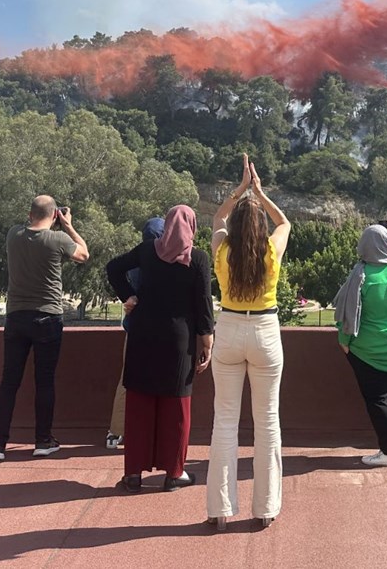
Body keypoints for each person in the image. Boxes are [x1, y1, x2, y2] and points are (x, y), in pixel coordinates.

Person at [206, 154, 290, 531]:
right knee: (267, 422)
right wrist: (260, 193)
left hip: (228, 328)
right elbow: (284, 221)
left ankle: (220, 508)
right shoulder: (271, 252)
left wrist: (240, 191)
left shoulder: (223, 249)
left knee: (224, 422)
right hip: (265, 333)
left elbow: (217, 219)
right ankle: (266, 507)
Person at [106, 205, 214, 493]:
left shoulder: (147, 250)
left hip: (142, 336)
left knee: (139, 405)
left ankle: (132, 475)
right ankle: (174, 473)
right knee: (177, 409)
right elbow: (204, 304)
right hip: (178, 342)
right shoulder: (198, 259)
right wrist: (207, 341)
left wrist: (129, 295)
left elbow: (113, 268)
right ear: (191, 227)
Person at [0, 195, 90, 461]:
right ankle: (43, 440)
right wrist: (67, 225)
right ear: (55, 215)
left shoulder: (13, 235)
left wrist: (46, 217)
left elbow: (30, 224)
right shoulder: (58, 240)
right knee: (44, 382)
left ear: (30, 213)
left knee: (9, 382)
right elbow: (84, 254)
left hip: (16, 318)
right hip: (47, 318)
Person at [333, 224, 387, 468]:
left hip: (371, 352)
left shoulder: (362, 276)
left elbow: (349, 315)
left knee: (379, 398)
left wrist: (344, 342)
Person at [106, 216, 166, 450]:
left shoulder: (136, 258)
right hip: (162, 331)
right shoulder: (167, 257)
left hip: (136, 327)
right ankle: (157, 432)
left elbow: (113, 269)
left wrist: (127, 296)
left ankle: (116, 432)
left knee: (127, 380)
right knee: (163, 381)